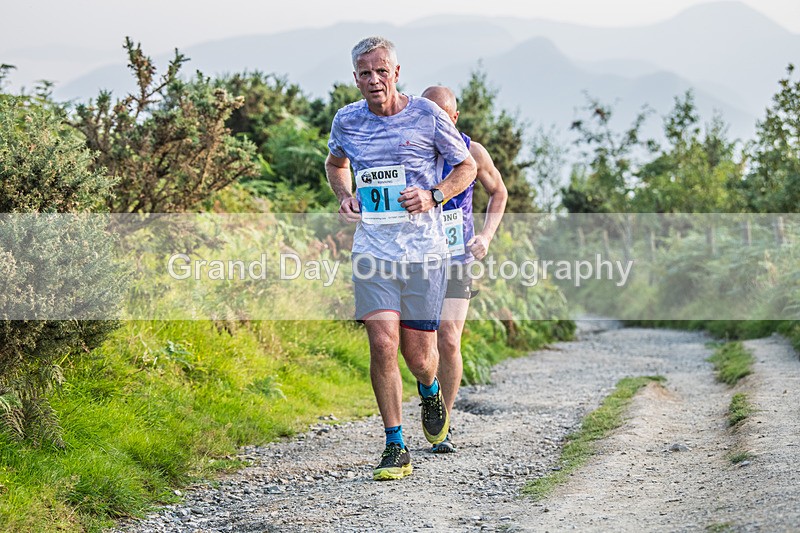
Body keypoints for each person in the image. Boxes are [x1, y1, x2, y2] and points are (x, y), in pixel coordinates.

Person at [325, 37, 477, 481]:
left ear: (396, 73)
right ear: (356, 78)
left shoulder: (427, 114)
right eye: (365, 73)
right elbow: (335, 164)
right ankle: (395, 445)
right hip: (373, 250)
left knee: (420, 356)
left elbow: (465, 167)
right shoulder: (347, 120)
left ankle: (430, 390)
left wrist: (434, 195)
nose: (374, 80)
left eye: (381, 71)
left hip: (424, 253)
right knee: (382, 342)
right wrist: (345, 195)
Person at [420, 85, 508, 453]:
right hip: (420, 257)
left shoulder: (473, 152)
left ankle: (442, 424)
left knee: (449, 338)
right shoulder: (411, 149)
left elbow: (499, 192)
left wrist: (486, 236)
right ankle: (429, 393)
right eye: (430, 115)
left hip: (459, 258)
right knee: (419, 344)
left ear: (455, 118)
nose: (436, 124)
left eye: (444, 117)